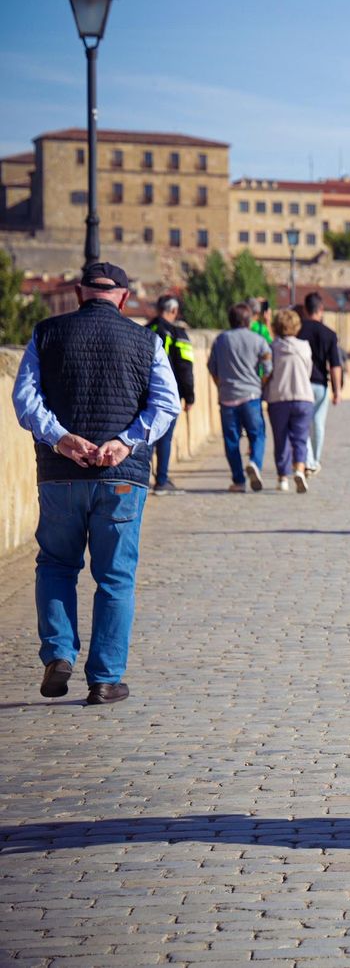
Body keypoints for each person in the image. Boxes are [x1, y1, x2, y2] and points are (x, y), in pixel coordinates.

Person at [11, 261, 180, 705]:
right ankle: (104, 679)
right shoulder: (147, 340)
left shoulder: (45, 334)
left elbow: (25, 400)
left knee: (56, 565)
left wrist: (61, 438)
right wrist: (124, 444)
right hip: (121, 478)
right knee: (116, 578)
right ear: (123, 298)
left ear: (80, 293)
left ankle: (59, 654)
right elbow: (166, 405)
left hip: (60, 475)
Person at [206, 302, 272, 492]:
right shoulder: (258, 340)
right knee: (258, 434)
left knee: (231, 440)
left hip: (228, 397)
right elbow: (268, 366)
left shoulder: (220, 340)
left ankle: (239, 481)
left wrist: (221, 385)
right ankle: (254, 463)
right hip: (251, 395)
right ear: (248, 320)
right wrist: (261, 383)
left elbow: (212, 367)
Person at [145, 294, 195, 495]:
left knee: (147, 437)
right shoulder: (178, 333)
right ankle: (162, 481)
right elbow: (185, 367)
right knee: (165, 437)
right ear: (173, 311)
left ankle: (142, 478)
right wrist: (189, 396)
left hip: (146, 392)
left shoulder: (145, 331)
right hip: (168, 393)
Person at [264, 307, 314, 492]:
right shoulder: (304, 346)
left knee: (281, 439)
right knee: (300, 437)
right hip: (303, 396)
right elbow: (307, 370)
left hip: (279, 397)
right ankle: (300, 468)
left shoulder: (273, 347)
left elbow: (268, 370)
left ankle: (282, 477)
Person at [293, 292, 343, 475]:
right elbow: (335, 365)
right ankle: (315, 460)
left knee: (302, 423)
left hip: (300, 383)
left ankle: (308, 459)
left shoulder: (297, 331)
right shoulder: (329, 334)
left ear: (305, 309)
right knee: (318, 423)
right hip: (321, 384)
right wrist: (337, 390)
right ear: (321, 310)